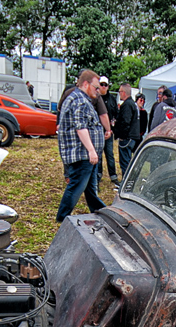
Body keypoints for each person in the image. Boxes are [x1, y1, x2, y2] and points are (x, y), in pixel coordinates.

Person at [55, 70, 106, 223]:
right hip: (81, 153)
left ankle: (101, 214)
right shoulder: (80, 101)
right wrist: (91, 150)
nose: (98, 91)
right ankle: (62, 218)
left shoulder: (79, 98)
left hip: (84, 154)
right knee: (76, 187)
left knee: (90, 190)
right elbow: (80, 127)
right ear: (85, 84)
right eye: (96, 87)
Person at [114, 83, 140, 179]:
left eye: (120, 91)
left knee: (125, 162)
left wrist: (121, 135)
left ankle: (126, 182)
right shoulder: (133, 104)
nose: (119, 94)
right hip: (133, 136)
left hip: (127, 137)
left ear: (124, 92)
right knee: (128, 160)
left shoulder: (127, 105)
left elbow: (125, 121)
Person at [98, 76, 119, 186]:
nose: (103, 87)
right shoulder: (95, 98)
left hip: (109, 132)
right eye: (101, 84)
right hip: (97, 132)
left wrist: (111, 129)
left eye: (105, 85)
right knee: (98, 155)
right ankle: (98, 174)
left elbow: (116, 114)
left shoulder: (112, 99)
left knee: (109, 154)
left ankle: (113, 176)